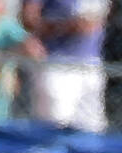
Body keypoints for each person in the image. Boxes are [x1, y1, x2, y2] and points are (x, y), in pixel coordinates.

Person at [23, 0, 111, 132]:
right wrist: (65, 26)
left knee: (91, 129)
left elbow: (100, 18)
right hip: (57, 65)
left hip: (91, 64)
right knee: (53, 128)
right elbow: (28, 18)